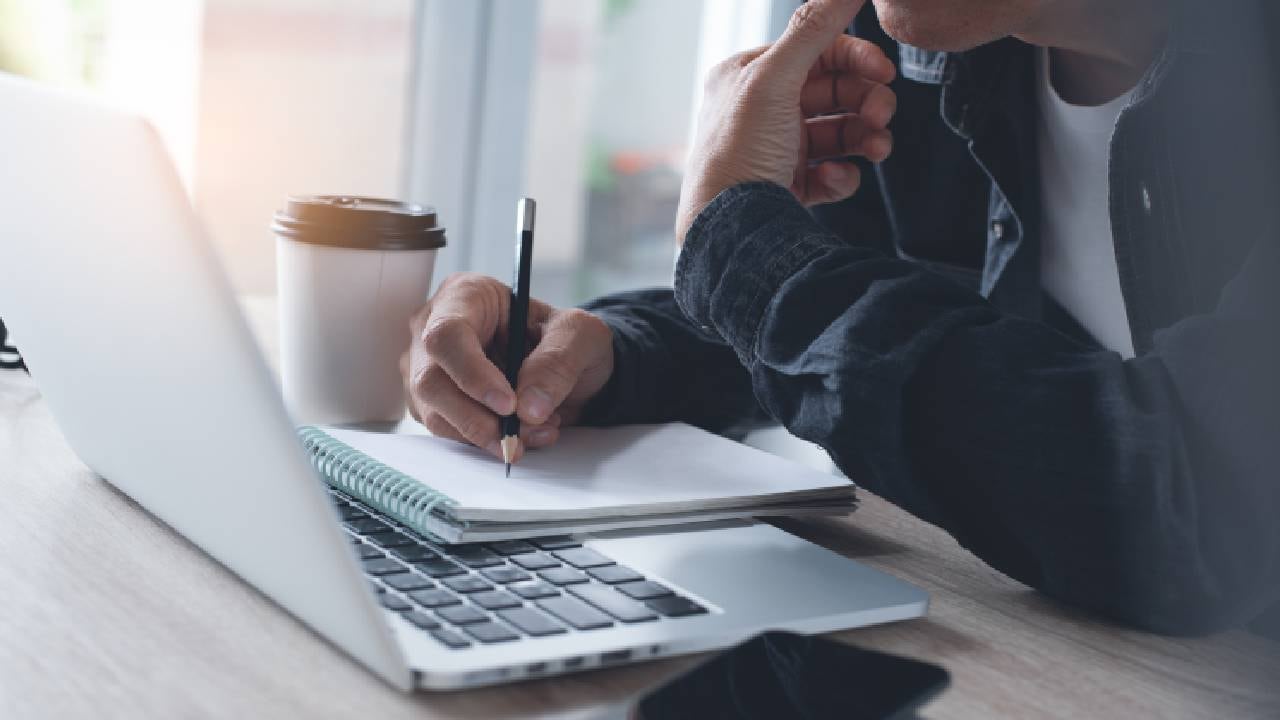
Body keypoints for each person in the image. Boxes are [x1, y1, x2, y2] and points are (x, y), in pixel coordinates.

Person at [400, 0, 1280, 636]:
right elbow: (851, 308)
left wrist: (738, 241)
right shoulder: (922, 48)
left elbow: (1201, 508)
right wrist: (606, 353)